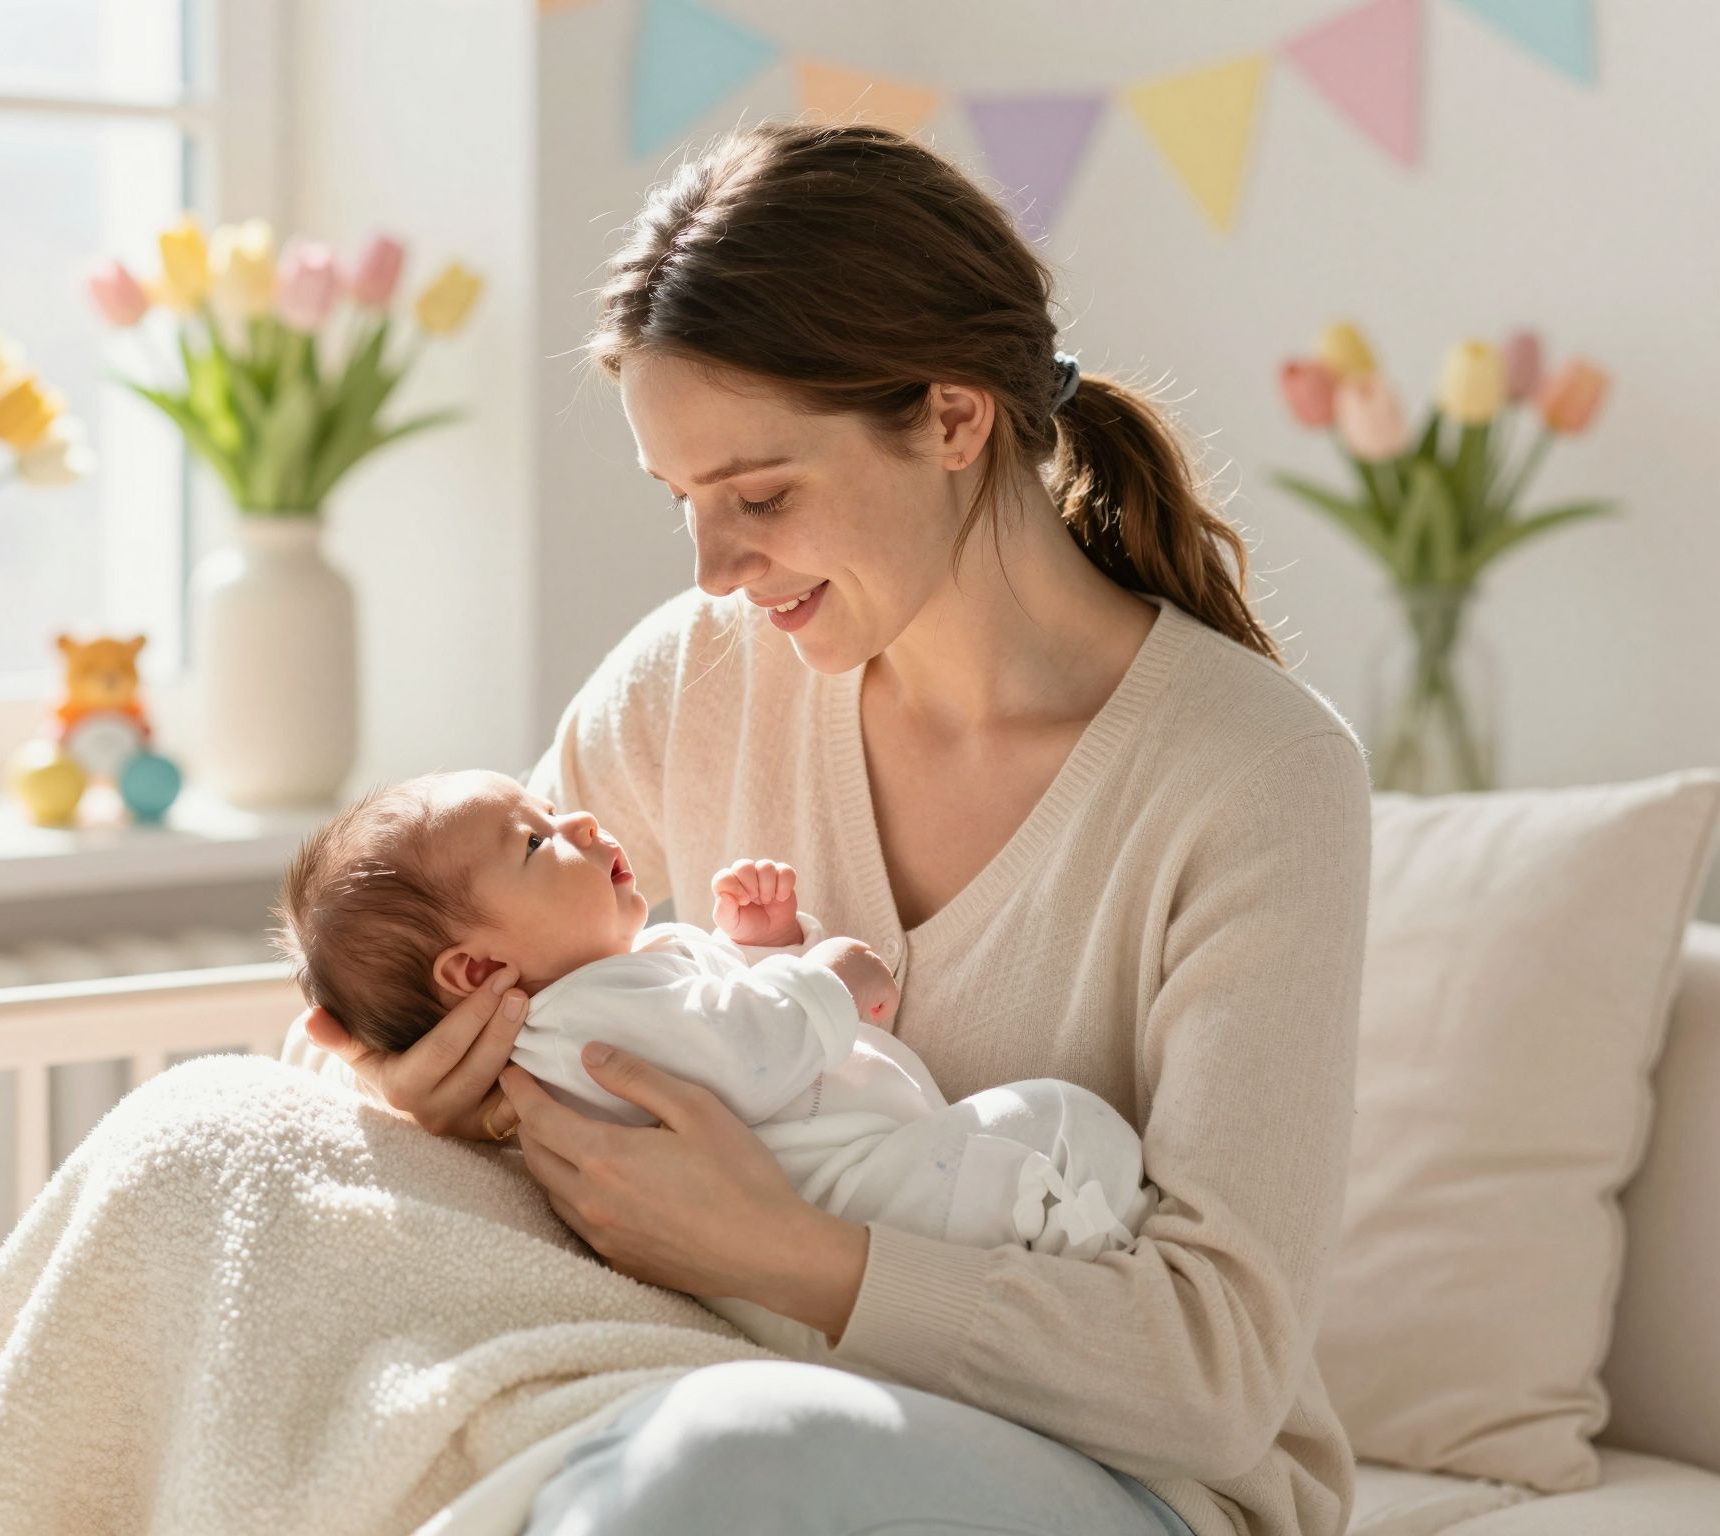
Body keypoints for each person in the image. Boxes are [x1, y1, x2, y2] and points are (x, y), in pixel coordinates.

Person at [300, 120, 1372, 1536]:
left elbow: (1218, 1370)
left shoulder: (1257, 778)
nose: (714, 569)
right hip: (729, 1387)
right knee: (196, 1148)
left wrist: (789, 1251)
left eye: (759, 496)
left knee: (712, 1460)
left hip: (1126, 1480)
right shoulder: (698, 674)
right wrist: (410, 1107)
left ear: (951, 416)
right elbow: (411, 947)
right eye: (682, 502)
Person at [270, 769, 1159, 1366]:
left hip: (850, 1204)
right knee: (1060, 1123)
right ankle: (1089, 1249)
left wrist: (760, 948)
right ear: (474, 973)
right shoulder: (580, 1016)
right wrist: (826, 983)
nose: (575, 819)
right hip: (852, 1199)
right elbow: (742, 1055)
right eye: (537, 843)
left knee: (1030, 1139)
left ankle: (1072, 1247)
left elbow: (712, 1024)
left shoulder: (609, 980)